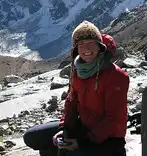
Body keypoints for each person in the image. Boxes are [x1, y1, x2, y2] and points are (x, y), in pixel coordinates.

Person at [23, 21, 130, 156]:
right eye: (81, 44)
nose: (86, 49)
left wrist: (81, 142)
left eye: (91, 42)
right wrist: (65, 129)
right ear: (76, 49)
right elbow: (71, 103)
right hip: (83, 128)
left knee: (66, 153)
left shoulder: (115, 76)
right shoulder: (78, 71)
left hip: (109, 141)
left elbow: (113, 119)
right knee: (33, 137)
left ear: (100, 46)